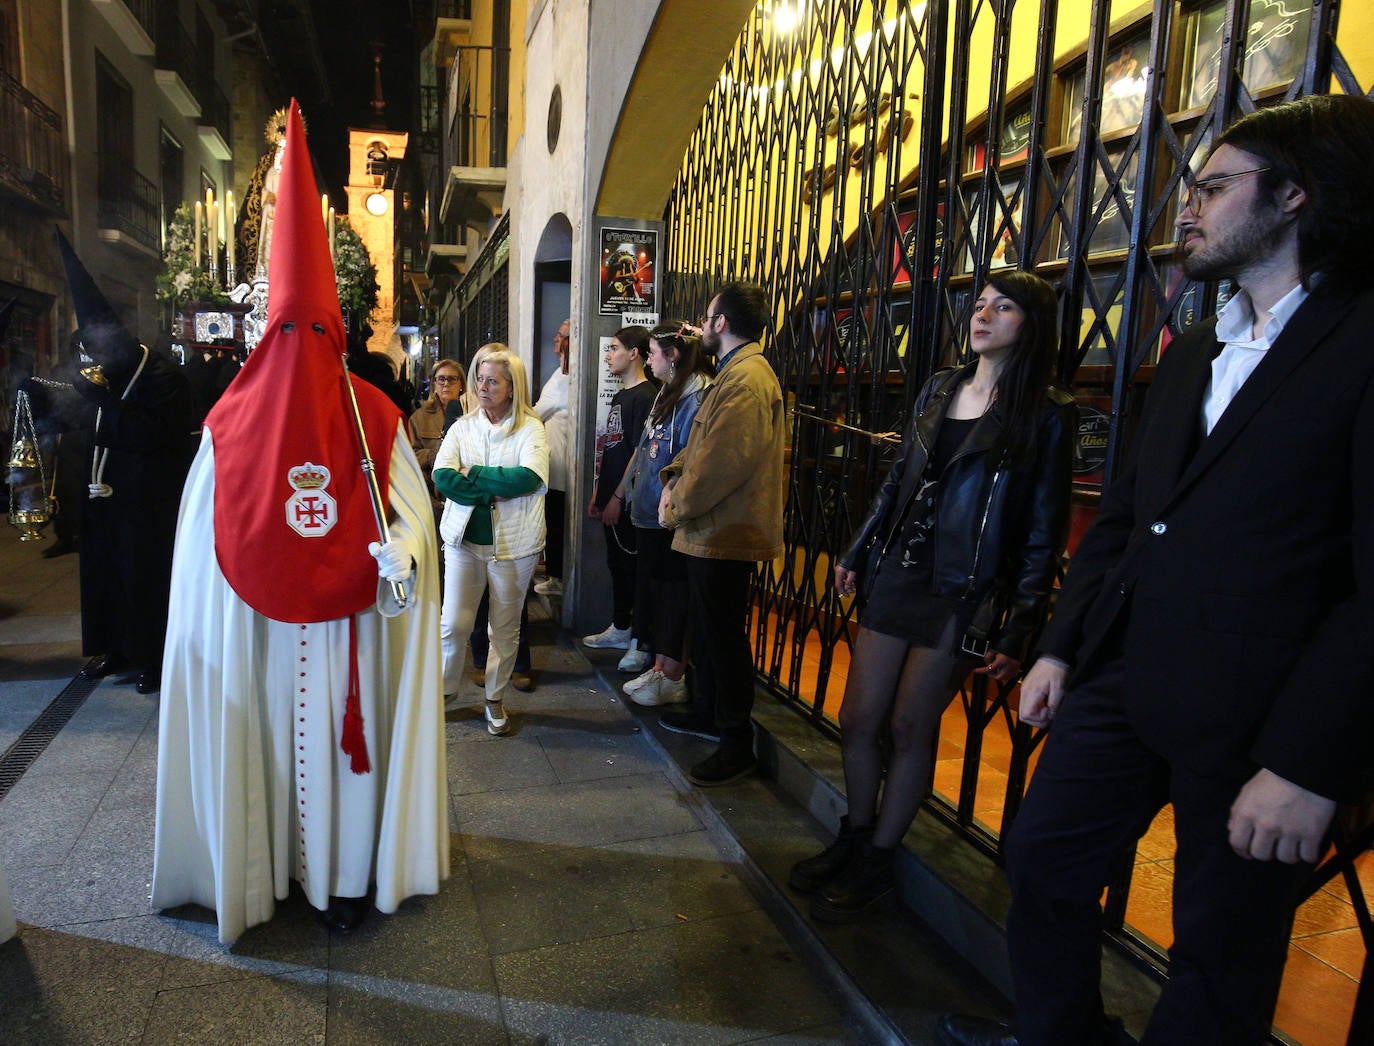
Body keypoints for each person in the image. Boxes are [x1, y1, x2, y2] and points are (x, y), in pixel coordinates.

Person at [939, 94, 1374, 1046]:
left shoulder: (1359, 342)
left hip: (1261, 712)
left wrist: (1307, 762)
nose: (1188, 205)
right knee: (1044, 862)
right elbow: (1131, 517)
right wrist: (1060, 649)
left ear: (1296, 196)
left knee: (1220, 948)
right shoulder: (1197, 347)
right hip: (1124, 675)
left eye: (1215, 186)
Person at [151, 101, 448, 942]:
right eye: (287, 329)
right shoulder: (225, 432)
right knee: (270, 753)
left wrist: (403, 550)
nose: (301, 344)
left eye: (315, 330)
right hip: (256, 641)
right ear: (261, 333)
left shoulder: (377, 418)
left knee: (346, 760)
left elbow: (415, 521)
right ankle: (264, 871)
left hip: (355, 633)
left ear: (339, 333)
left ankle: (347, 879)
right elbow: (198, 563)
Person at [790, 272, 1075, 923]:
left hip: (962, 591)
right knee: (859, 719)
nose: (984, 315)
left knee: (909, 726)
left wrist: (1019, 627)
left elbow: (1042, 529)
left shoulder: (1046, 412)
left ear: (1031, 324)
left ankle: (881, 861)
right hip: (900, 572)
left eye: (1003, 307)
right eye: (980, 305)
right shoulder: (941, 386)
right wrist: (859, 549)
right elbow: (899, 480)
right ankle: (856, 835)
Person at [657, 281, 785, 786]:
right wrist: (672, 479)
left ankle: (736, 742)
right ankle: (707, 711)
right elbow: (699, 447)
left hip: (724, 530)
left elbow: (721, 463)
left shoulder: (748, 379)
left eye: (707, 318)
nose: (701, 326)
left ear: (721, 323)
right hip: (709, 527)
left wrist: (677, 503)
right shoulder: (733, 374)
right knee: (709, 633)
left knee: (724, 638)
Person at [53, 231, 192, 695]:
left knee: (144, 577)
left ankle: (152, 655)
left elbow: (155, 433)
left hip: (147, 501)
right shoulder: (106, 375)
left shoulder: (162, 375)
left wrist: (105, 400)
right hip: (103, 499)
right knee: (103, 573)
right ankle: (112, 648)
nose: (93, 361)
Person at [434, 348, 548, 735]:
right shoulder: (463, 426)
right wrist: (489, 489)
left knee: (503, 628)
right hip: (464, 541)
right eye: (480, 379)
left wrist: (474, 473)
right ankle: (444, 692)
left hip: (515, 545)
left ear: (512, 386)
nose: (483, 387)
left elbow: (528, 478)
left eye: (493, 380)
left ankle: (494, 699)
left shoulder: (530, 428)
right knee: (452, 622)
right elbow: (443, 477)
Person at [619, 320, 714, 707]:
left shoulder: (699, 395)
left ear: (672, 356)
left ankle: (672, 672)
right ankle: (659, 666)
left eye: (655, 353)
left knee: (675, 592)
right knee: (659, 590)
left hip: (671, 513)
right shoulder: (669, 394)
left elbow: (690, 455)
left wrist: (670, 492)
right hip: (650, 511)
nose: (650, 360)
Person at [583, 325, 657, 670]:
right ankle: (621, 626)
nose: (609, 355)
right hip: (611, 492)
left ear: (635, 353)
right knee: (617, 565)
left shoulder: (646, 395)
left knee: (635, 568)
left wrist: (617, 495)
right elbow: (611, 447)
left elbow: (639, 452)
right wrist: (600, 490)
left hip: (629, 499)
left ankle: (640, 639)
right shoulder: (619, 395)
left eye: (614, 348)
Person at [533, 320, 571, 596]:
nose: (555, 340)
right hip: (556, 463)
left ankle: (558, 577)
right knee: (555, 521)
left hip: (562, 467)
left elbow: (538, 412)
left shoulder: (565, 380)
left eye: (561, 336)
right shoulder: (560, 373)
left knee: (557, 523)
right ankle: (555, 574)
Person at [410, 357, 465, 511]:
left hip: (461, 490)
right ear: (434, 384)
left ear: (461, 384)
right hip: (429, 495)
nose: (446, 384)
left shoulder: (472, 415)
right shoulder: (419, 418)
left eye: (452, 379)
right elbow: (409, 456)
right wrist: (431, 455)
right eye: (441, 379)